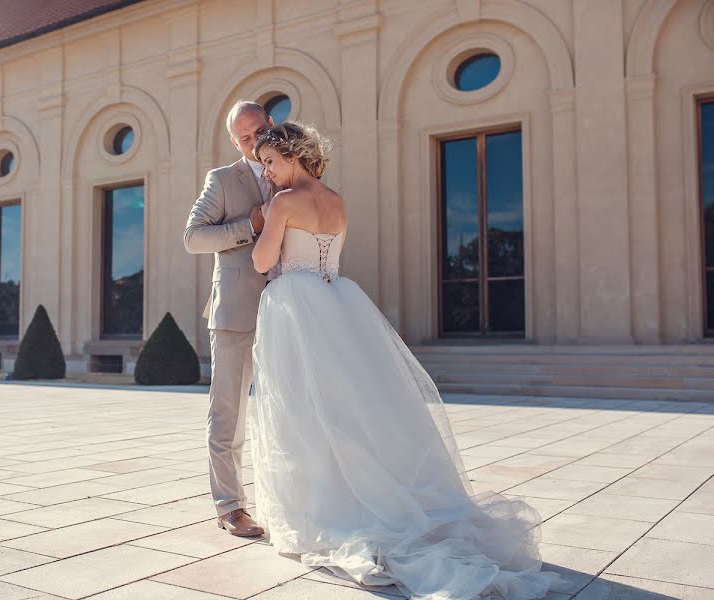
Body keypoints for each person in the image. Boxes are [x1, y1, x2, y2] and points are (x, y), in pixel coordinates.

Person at [247, 122, 571, 599]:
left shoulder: (280, 203)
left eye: (270, 161)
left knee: (302, 409)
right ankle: (369, 491)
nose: (267, 171)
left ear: (292, 156)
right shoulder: (336, 201)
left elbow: (261, 262)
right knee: (353, 407)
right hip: (339, 302)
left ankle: (323, 503)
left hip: (295, 306)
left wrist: (260, 225)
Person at [183, 100, 280, 537]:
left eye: (257, 131)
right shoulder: (221, 180)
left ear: (270, 125)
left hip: (289, 309)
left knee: (290, 411)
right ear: (233, 142)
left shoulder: (293, 172)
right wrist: (249, 225)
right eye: (243, 137)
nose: (252, 141)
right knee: (228, 415)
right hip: (235, 312)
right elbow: (193, 238)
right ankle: (230, 507)